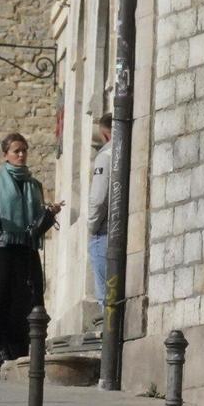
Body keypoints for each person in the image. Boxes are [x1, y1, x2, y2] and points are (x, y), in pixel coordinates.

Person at [0, 132, 62, 366]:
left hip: (26, 246)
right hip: (2, 246)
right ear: (6, 155)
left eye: (24, 150)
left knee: (31, 294)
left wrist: (49, 215)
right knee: (2, 294)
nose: (21, 155)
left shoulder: (34, 185)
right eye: (16, 151)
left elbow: (36, 229)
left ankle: (23, 345)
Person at [87, 115, 113, 325]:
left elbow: (98, 198)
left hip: (104, 231)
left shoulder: (106, 155)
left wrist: (92, 226)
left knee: (106, 298)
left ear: (105, 133)